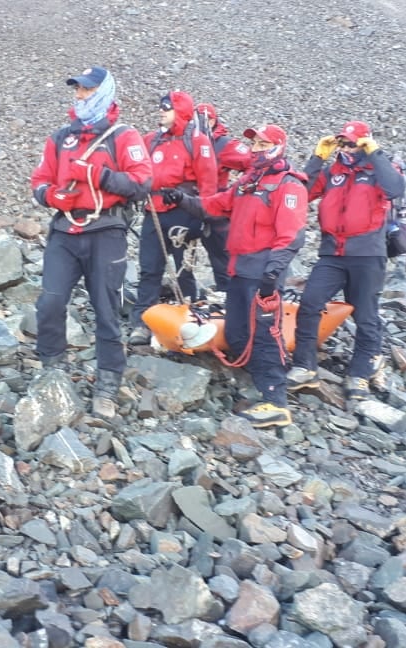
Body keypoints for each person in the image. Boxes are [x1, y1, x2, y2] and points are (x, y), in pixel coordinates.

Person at [164, 124, 308, 428]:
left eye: (262, 143)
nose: (255, 149)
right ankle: (258, 383)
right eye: (253, 144)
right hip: (240, 270)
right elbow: (217, 205)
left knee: (266, 334)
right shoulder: (248, 182)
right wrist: (181, 200)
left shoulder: (288, 185)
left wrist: (272, 274)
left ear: (277, 147)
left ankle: (276, 402)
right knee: (239, 332)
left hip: (262, 274)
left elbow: (291, 236)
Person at [30, 66, 152, 418]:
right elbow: (38, 181)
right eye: (78, 90)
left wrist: (99, 176)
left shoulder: (124, 137)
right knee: (50, 303)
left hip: (107, 231)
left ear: (104, 92)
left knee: (106, 308)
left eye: (86, 90)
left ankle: (108, 382)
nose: (79, 96)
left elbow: (142, 182)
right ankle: (52, 368)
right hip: (65, 231)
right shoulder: (60, 137)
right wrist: (53, 196)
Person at [286, 120, 406, 400]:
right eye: (343, 142)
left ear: (365, 143)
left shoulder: (378, 169)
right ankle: (305, 366)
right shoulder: (333, 172)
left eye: (353, 142)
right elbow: (301, 192)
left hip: (367, 253)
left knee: (365, 314)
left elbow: (395, 188)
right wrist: (318, 157)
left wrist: (375, 153)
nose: (347, 148)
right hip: (332, 253)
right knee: (310, 302)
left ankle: (361, 372)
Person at [128, 91, 218, 346]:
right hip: (153, 212)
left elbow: (208, 182)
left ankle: (191, 322)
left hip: (182, 212)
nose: (160, 111)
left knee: (183, 270)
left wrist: (203, 217)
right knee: (149, 270)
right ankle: (143, 322)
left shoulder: (197, 142)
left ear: (180, 112)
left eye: (166, 108)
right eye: (161, 107)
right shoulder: (152, 140)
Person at [194, 102, 252, 296]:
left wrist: (240, 190)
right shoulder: (189, 141)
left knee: (223, 258)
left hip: (216, 210)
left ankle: (230, 298)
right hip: (192, 205)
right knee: (191, 256)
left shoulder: (223, 144)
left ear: (212, 121)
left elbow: (254, 163)